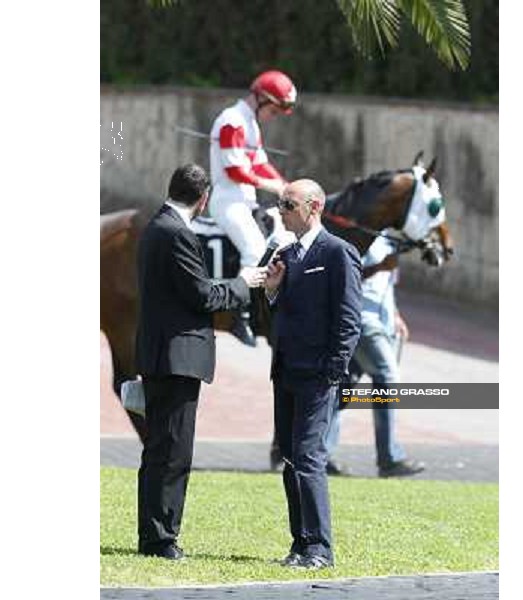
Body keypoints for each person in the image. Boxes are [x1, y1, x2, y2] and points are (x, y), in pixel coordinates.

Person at [135, 164, 266, 560]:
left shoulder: (156, 227)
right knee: (173, 452)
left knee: (159, 449)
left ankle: (153, 534)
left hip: (162, 354)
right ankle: (160, 539)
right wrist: (245, 284)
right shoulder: (177, 234)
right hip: (176, 358)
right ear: (204, 198)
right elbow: (203, 296)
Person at [264, 179, 362, 569]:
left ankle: (320, 547)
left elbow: (349, 319)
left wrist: (333, 372)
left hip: (318, 376)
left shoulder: (339, 252)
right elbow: (282, 316)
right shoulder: (285, 252)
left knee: (308, 457)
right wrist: (272, 292)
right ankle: (300, 543)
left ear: (314, 206)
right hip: (286, 371)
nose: (282, 210)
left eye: (288, 204)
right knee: (290, 458)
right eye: (280, 203)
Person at [326, 233, 426, 477]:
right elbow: (347, 279)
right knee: (387, 376)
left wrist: (395, 315)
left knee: (343, 387)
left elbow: (384, 287)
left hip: (380, 322)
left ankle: (320, 452)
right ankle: (389, 457)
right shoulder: (363, 240)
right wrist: (381, 266)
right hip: (363, 321)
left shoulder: (391, 243)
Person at [209, 70, 297, 345]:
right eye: (273, 110)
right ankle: (238, 314)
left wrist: (287, 186)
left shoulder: (251, 124)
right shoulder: (231, 122)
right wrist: (274, 188)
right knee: (256, 251)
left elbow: (259, 163)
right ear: (260, 99)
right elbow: (235, 170)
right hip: (227, 201)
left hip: (247, 201)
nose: (273, 116)